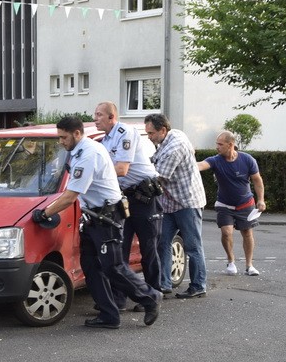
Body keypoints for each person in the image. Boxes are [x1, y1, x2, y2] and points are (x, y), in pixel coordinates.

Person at [33, 116, 160, 329]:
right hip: (93, 217)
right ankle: (109, 314)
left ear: (76, 133)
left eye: (63, 137)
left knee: (114, 267)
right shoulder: (81, 151)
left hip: (106, 217)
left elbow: (70, 195)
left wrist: (44, 213)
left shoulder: (88, 154)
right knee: (91, 266)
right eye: (59, 137)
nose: (61, 142)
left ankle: (149, 297)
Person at [95, 102, 162, 305]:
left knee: (148, 249)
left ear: (111, 116)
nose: (95, 118)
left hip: (144, 197)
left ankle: (153, 294)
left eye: (99, 115)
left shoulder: (126, 132)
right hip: (124, 198)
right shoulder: (104, 141)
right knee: (120, 250)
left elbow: (122, 169)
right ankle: (119, 297)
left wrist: (93, 173)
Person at [144, 113, 208, 299]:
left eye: (151, 133)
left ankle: (198, 285)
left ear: (163, 130)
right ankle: (164, 284)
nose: (149, 137)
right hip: (169, 203)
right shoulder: (174, 135)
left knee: (192, 246)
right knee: (162, 241)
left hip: (187, 202)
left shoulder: (174, 148)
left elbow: (158, 177)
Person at [196, 131, 266, 276]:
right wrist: (188, 159)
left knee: (247, 233)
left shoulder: (247, 160)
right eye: (217, 144)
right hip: (224, 204)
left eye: (220, 144)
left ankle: (249, 265)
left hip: (245, 203)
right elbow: (201, 165)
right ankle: (231, 261)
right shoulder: (216, 160)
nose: (217, 147)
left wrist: (261, 200)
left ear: (230, 145)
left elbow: (257, 180)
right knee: (226, 232)